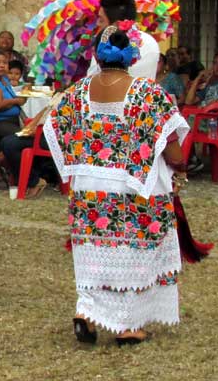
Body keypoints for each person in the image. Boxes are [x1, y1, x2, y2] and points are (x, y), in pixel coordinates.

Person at [44, 25, 189, 345]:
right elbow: (174, 149)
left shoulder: (77, 92)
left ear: (97, 55)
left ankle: (86, 312)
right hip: (134, 185)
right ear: (133, 58)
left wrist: (79, 160)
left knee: (94, 252)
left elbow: (53, 126)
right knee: (135, 252)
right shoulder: (149, 94)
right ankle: (129, 326)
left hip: (90, 187)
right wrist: (175, 161)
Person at [86, 0, 159, 80]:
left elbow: (92, 81)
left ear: (116, 25)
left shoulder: (107, 44)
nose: (97, 23)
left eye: (101, 20)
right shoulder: (150, 41)